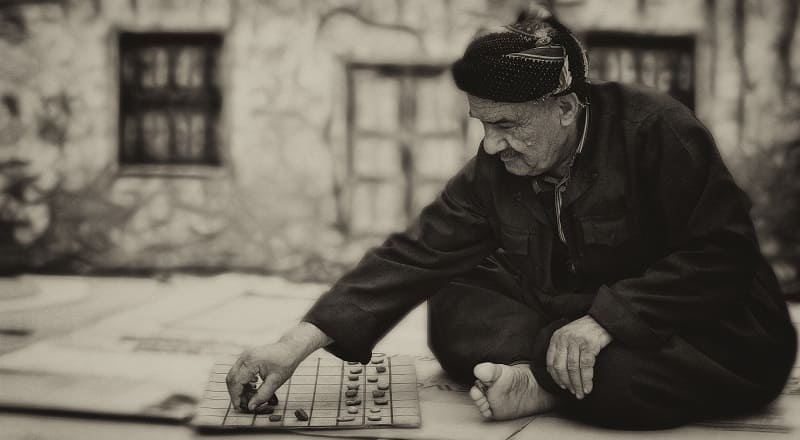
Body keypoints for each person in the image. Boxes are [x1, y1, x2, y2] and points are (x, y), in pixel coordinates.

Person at [227, 10, 797, 429]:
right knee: (451, 299)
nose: (492, 145)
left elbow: (721, 256)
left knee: (622, 380)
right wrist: (295, 343)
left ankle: (545, 382)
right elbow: (417, 251)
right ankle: (557, 369)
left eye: (506, 125)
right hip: (570, 308)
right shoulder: (500, 163)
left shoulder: (659, 131)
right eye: (481, 125)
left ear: (566, 109)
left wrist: (608, 321)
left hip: (700, 324)